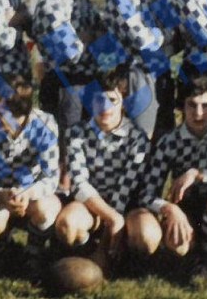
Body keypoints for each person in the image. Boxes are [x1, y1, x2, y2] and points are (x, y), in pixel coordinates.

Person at [127, 75, 207, 278]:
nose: (199, 113)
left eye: (205, 106)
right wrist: (169, 208)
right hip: (185, 209)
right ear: (182, 107)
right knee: (178, 247)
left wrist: (198, 175)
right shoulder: (170, 141)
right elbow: (147, 194)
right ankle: (193, 253)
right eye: (192, 105)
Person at [54, 70, 151, 269]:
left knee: (146, 236)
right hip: (91, 204)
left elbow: (125, 188)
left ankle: (123, 259)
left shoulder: (137, 137)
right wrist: (110, 217)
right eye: (99, 100)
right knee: (67, 224)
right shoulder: (76, 133)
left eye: (112, 100)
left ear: (123, 102)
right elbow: (79, 183)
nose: (105, 107)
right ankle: (87, 252)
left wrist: (113, 224)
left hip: (125, 208)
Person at [0, 74, 62, 277]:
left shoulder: (45, 123)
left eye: (0, 113)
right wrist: (1, 195)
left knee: (45, 210)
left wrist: (27, 193)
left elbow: (51, 178)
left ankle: (34, 253)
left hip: (33, 193)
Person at [103, 0, 177, 140]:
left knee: (165, 139)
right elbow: (144, 41)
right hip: (136, 74)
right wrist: (164, 34)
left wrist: (168, 33)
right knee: (142, 139)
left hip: (162, 72)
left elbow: (176, 28)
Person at [32, 0, 106, 133]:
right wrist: (92, 36)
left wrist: (86, 36)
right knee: (68, 145)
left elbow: (106, 42)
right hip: (64, 86)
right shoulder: (49, 4)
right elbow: (72, 53)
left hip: (90, 83)